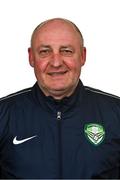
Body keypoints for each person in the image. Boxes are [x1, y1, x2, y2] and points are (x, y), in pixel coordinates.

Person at [0, 17, 120, 179]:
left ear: (83, 56)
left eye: (66, 51)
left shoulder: (116, 114)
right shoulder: (3, 115)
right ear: (31, 57)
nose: (56, 62)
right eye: (45, 51)